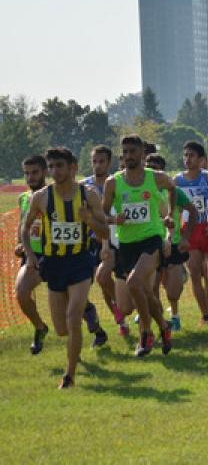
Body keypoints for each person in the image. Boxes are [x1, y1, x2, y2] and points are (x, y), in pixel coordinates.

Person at [22, 147, 111, 388]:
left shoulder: (89, 195)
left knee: (73, 318)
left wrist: (89, 220)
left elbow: (105, 231)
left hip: (80, 262)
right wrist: (30, 256)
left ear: (72, 168)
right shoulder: (41, 197)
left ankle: (69, 376)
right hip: (53, 264)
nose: (54, 171)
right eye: (50, 167)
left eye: (59, 166)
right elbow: (24, 228)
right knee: (62, 329)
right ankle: (77, 343)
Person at [103, 135, 176, 357]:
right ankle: (164, 326)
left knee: (135, 283)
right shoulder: (113, 182)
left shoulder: (157, 178)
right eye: (124, 152)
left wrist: (170, 215)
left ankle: (146, 334)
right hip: (127, 245)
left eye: (133, 152)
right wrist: (115, 220)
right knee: (140, 293)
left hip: (151, 239)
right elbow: (103, 213)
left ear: (143, 154)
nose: (128, 156)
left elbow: (173, 188)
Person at [146, 154, 197, 331]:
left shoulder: (174, 191)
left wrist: (185, 237)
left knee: (173, 292)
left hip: (174, 243)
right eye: (149, 167)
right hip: (151, 244)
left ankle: (174, 315)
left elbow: (193, 212)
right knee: (152, 288)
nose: (153, 171)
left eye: (156, 168)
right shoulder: (142, 192)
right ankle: (160, 322)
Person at [175, 141, 208, 324]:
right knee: (195, 273)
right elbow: (174, 208)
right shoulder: (177, 181)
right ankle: (205, 315)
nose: (187, 159)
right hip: (189, 231)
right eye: (185, 155)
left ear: (201, 159)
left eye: (192, 155)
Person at [84, 145, 129, 335]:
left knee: (105, 277)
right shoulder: (84, 186)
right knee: (103, 282)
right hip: (94, 240)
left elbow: (121, 214)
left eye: (101, 161)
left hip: (117, 239)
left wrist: (113, 221)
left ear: (109, 163)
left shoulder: (117, 182)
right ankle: (121, 321)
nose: (97, 165)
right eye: (94, 161)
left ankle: (124, 305)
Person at [15, 155, 50, 354]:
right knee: (21, 293)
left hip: (55, 254)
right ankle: (40, 327)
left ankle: (91, 320)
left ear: (45, 172)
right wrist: (20, 244)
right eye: (27, 173)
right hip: (32, 254)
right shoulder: (24, 198)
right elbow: (22, 225)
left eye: (35, 172)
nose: (30, 177)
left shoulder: (54, 195)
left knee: (67, 303)